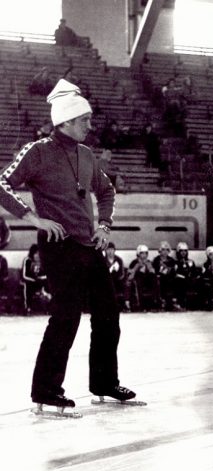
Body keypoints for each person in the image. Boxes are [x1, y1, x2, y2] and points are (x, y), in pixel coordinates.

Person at [0, 79, 139, 413]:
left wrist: (104, 224)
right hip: (58, 245)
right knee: (66, 317)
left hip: (89, 245)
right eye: (84, 120)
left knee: (108, 314)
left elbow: (106, 192)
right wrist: (33, 218)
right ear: (64, 121)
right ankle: (46, 390)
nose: (90, 126)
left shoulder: (87, 155)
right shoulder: (37, 151)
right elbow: (2, 183)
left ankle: (104, 382)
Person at [126, 244, 159, 311]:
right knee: (139, 279)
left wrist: (150, 268)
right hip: (138, 281)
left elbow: (153, 273)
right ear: (138, 254)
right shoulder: (134, 262)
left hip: (147, 281)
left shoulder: (149, 262)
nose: (144, 255)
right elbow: (129, 276)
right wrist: (137, 267)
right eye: (142, 253)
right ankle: (140, 304)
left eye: (145, 253)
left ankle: (155, 302)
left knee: (154, 279)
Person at [21, 244, 51, 314]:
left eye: (39, 253)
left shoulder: (43, 260)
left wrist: (42, 278)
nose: (37, 256)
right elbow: (23, 276)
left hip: (40, 281)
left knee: (49, 284)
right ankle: (27, 307)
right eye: (36, 253)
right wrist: (34, 280)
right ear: (32, 253)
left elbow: (48, 274)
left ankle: (49, 307)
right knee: (26, 286)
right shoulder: (27, 260)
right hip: (29, 281)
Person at [152, 241, 178, 310]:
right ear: (160, 251)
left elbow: (173, 270)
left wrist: (166, 270)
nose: (165, 252)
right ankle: (161, 302)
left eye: (167, 250)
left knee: (174, 281)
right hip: (160, 278)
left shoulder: (171, 260)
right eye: (163, 250)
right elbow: (155, 270)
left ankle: (172, 302)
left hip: (169, 278)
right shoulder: (156, 260)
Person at [174, 242, 198, 309]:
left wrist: (192, 276)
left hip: (190, 280)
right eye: (181, 251)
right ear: (178, 252)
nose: (183, 252)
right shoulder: (176, 262)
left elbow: (195, 272)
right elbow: (175, 273)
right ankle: (181, 303)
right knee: (180, 282)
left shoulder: (191, 261)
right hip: (181, 280)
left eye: (185, 251)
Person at [103, 241, 125, 310]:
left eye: (112, 250)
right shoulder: (103, 260)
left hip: (117, 281)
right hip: (106, 281)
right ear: (105, 251)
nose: (110, 251)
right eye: (108, 249)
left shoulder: (119, 260)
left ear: (114, 250)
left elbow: (122, 273)